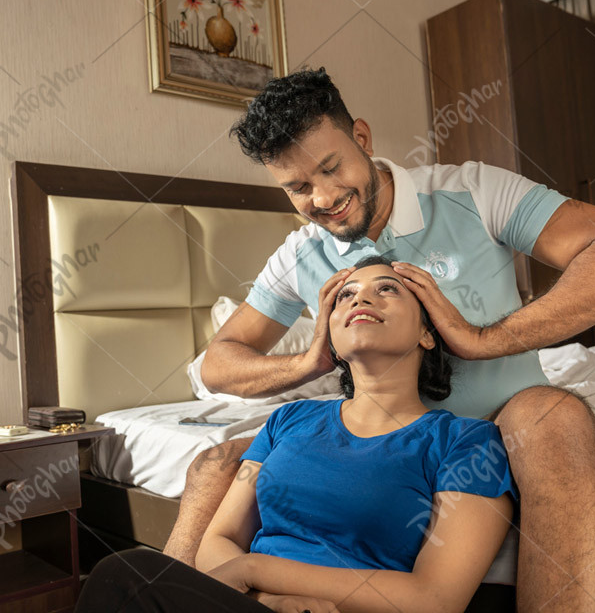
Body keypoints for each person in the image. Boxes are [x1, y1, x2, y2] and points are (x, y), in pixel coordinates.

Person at [163, 67, 595, 612]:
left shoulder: (471, 189)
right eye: (299, 187)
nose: (324, 198)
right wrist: (311, 363)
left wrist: (479, 339)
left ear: (362, 138)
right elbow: (218, 365)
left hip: (489, 427)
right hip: (367, 430)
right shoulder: (299, 255)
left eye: (331, 169)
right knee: (215, 464)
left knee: (552, 416)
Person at [75, 257, 517, 612]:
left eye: (387, 288)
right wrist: (271, 597)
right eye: (346, 295)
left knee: (128, 576)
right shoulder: (289, 420)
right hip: (255, 603)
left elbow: (435, 599)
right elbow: (217, 539)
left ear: (426, 332)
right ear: (332, 339)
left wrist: (254, 570)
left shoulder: (467, 442)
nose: (361, 298)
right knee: (123, 574)